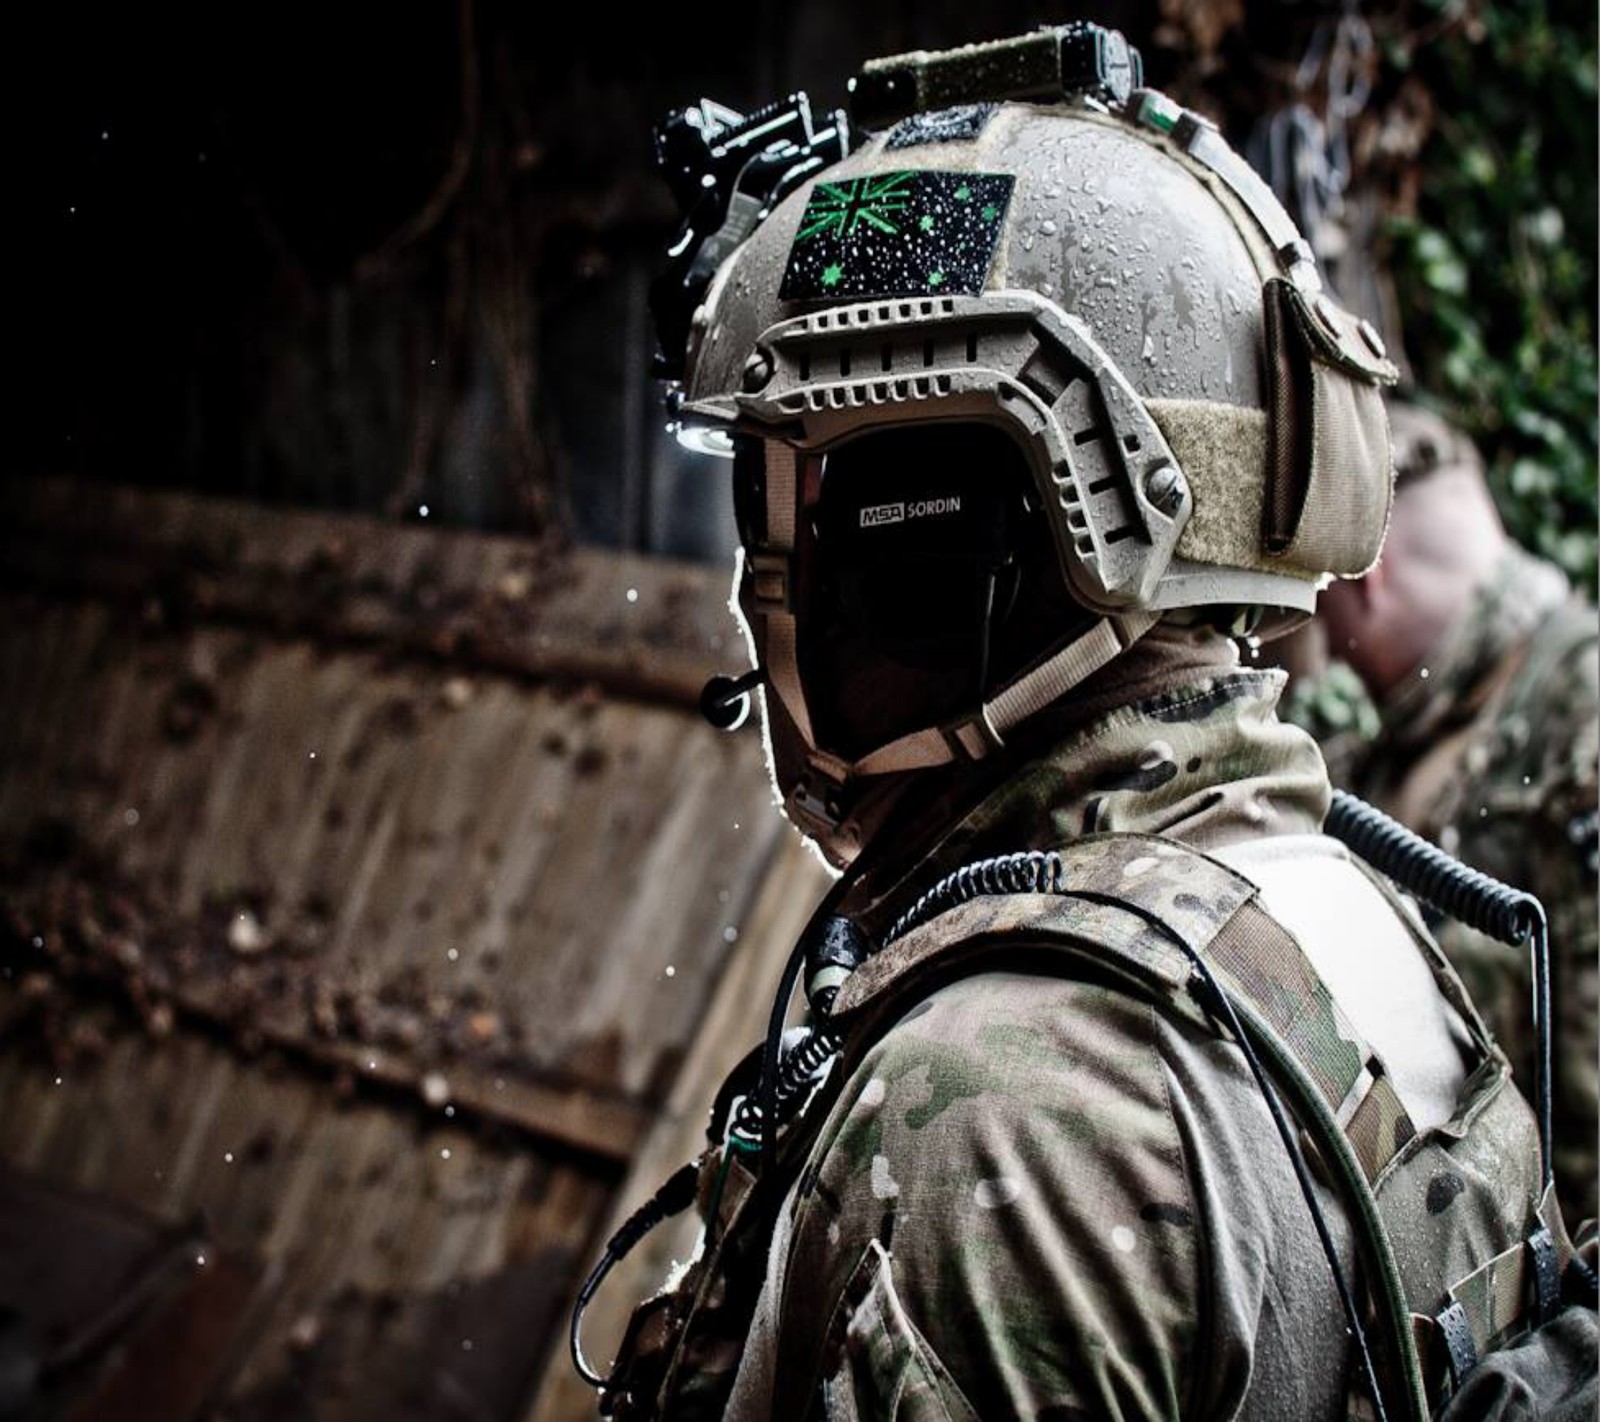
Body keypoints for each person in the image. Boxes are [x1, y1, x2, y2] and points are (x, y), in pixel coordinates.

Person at [581, 25, 1597, 1422]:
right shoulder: (1356, 909)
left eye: (806, 509)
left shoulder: (997, 1122)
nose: (779, 592)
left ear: (945, 551)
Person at [1316, 401, 1600, 1224]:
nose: (1331, 652)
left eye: (1325, 617)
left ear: (1367, 580)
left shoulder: (1575, 716)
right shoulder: (1420, 740)